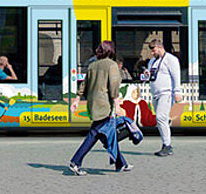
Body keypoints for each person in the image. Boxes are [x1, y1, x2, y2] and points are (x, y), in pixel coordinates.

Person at [68, 40, 130, 176]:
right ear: (111, 51)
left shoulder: (92, 65)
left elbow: (84, 84)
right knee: (96, 133)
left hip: (93, 103)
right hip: (104, 105)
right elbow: (114, 85)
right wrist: (117, 104)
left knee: (105, 133)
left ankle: (121, 163)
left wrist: (77, 100)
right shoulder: (112, 65)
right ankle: (75, 162)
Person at [144, 38, 182, 158]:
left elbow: (176, 76)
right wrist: (147, 75)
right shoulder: (152, 61)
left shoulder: (171, 59)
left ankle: (167, 145)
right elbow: (153, 76)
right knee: (161, 119)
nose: (152, 53)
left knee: (161, 117)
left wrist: (177, 91)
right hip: (155, 94)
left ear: (160, 47)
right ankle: (166, 144)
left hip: (166, 93)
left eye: (154, 50)